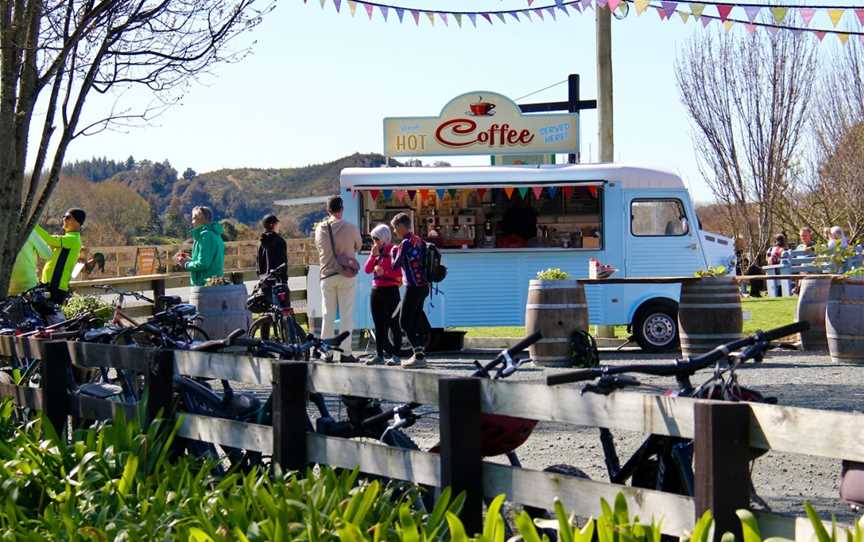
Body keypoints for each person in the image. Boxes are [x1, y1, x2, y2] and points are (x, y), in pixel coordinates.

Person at [314, 196, 362, 363]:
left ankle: (326, 352)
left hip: (327, 275)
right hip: (346, 275)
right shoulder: (351, 227)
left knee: (327, 315)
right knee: (346, 315)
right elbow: (359, 245)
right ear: (342, 209)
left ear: (328, 210)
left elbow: (319, 247)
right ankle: (345, 352)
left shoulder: (320, 229)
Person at [391, 212, 429, 369]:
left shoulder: (405, 243)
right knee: (414, 321)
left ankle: (418, 356)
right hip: (424, 286)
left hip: (413, 287)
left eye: (394, 228)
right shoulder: (419, 240)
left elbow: (395, 265)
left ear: (400, 226)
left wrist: (393, 251)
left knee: (404, 322)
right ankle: (419, 354)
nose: (394, 231)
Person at [364, 224, 403, 366]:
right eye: (373, 239)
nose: (375, 242)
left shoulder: (394, 250)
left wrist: (384, 272)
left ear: (385, 238)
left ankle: (396, 355)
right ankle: (379, 355)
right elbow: (367, 270)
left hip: (391, 291)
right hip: (376, 291)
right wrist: (373, 257)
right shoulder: (375, 250)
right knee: (378, 324)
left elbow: (399, 272)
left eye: (377, 239)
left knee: (394, 324)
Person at [35, 208, 85, 303]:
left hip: (55, 287)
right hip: (49, 285)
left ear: (77, 222)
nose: (64, 219)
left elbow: (49, 240)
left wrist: (33, 226)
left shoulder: (73, 239)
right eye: (64, 217)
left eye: (68, 217)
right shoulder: (67, 238)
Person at [175, 206, 225, 287]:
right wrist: (190, 260)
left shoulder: (206, 236)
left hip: (205, 284)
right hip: (214, 282)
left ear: (201, 219)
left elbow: (203, 264)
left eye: (194, 218)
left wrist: (185, 264)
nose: (192, 222)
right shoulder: (214, 234)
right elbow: (208, 260)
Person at [8, 229, 52, 296]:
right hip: (28, 286)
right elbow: (48, 254)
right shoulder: (29, 232)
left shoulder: (3, 231)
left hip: (6, 287)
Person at [257, 214, 288, 283]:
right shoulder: (279, 241)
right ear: (272, 225)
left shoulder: (260, 242)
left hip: (264, 281)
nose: (279, 226)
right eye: (277, 224)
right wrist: (284, 280)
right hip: (278, 281)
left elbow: (258, 263)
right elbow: (283, 263)